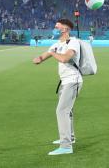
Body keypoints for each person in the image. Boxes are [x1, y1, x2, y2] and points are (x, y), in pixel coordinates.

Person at [32, 18, 82, 156]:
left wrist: (53, 52)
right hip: (65, 81)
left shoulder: (73, 42)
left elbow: (65, 58)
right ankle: (70, 137)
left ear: (65, 29)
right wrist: (38, 59)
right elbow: (42, 57)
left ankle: (66, 146)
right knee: (67, 111)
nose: (54, 29)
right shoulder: (56, 44)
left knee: (61, 111)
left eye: (57, 27)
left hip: (73, 80)